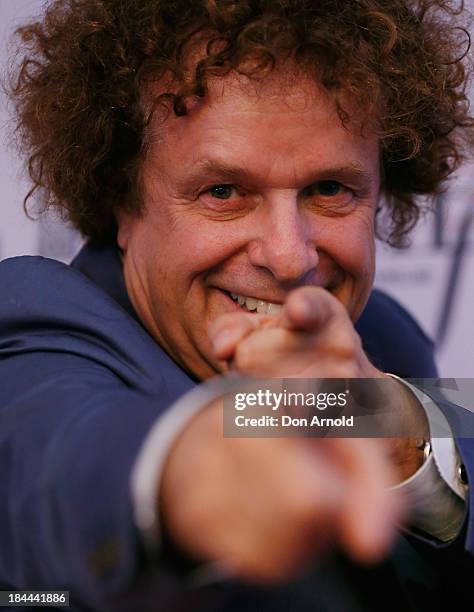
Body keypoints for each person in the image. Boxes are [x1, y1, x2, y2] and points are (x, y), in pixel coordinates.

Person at [1, 0, 473, 610]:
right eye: (223, 191)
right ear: (122, 199)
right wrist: (191, 474)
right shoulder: (36, 319)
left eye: (330, 190)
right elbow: (49, 462)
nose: (289, 257)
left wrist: (397, 429)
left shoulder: (383, 338)